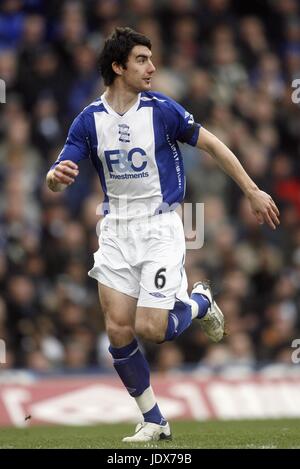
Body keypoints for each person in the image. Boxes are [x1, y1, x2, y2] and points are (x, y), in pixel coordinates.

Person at [46, 27, 280, 442]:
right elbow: (59, 172)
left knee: (152, 328)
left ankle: (201, 302)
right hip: (116, 227)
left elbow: (213, 146)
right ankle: (154, 419)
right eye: (141, 60)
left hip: (161, 224)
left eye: (151, 59)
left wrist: (251, 189)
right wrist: (55, 178)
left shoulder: (162, 109)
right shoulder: (89, 120)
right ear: (118, 67)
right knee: (118, 329)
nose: (152, 67)